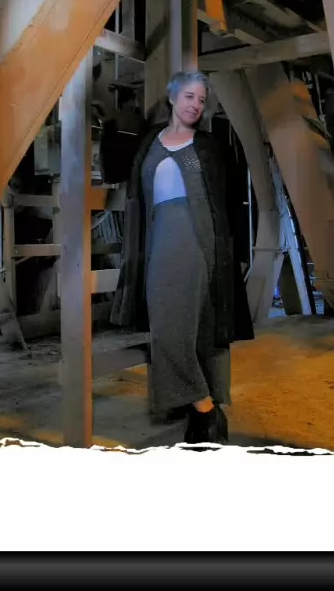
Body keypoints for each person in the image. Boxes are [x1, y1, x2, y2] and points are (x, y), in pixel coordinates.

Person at [110, 70, 254, 445]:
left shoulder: (209, 145)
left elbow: (233, 198)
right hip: (158, 240)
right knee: (165, 327)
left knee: (200, 327)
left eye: (201, 100)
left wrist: (238, 251)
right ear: (172, 97)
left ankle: (204, 412)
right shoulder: (149, 142)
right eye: (189, 96)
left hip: (198, 240)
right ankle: (205, 409)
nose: (195, 105)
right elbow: (121, 177)